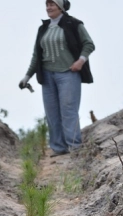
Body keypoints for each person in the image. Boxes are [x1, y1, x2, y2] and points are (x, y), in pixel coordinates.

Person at [19, 0, 95, 157]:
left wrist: (80, 61)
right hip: (47, 75)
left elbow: (89, 44)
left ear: (60, 7)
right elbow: (36, 55)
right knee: (52, 112)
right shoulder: (43, 28)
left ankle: (74, 147)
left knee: (68, 110)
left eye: (52, 4)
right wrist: (27, 77)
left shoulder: (73, 24)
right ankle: (59, 147)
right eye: (47, 5)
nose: (48, 8)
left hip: (68, 73)